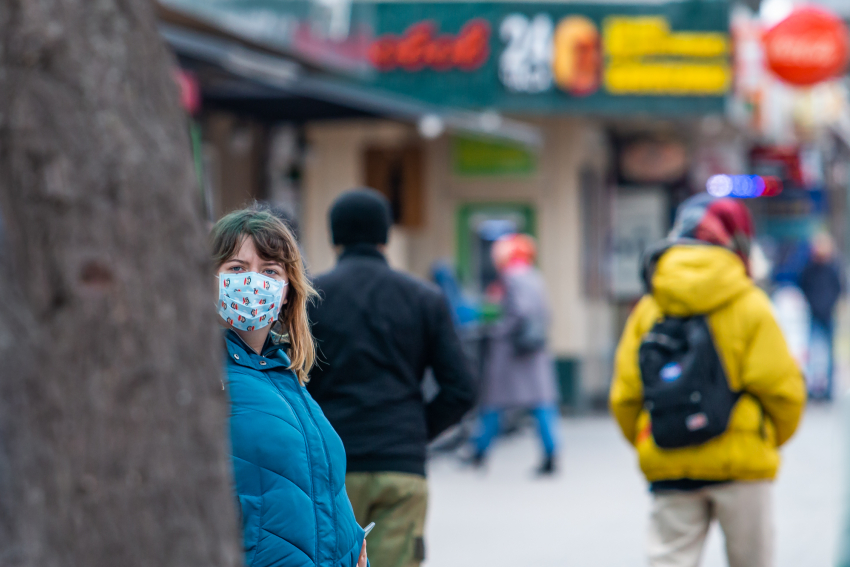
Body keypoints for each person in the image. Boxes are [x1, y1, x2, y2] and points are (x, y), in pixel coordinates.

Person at [610, 194, 806, 567]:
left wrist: (646, 437)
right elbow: (784, 391)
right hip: (742, 465)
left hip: (669, 456)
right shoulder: (750, 304)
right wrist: (762, 437)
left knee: (669, 560)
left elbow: (625, 395)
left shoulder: (649, 307)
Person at [307, 188, 476, 567]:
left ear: (335, 236)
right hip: (401, 464)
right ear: (385, 236)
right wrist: (415, 431)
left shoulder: (312, 299)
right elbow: (462, 388)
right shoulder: (424, 298)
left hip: (333, 466)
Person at [212, 206, 368, 567]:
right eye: (237, 268)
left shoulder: (286, 379)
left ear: (286, 291)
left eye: (270, 271)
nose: (253, 282)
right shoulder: (200, 379)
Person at [471, 233, 560, 474]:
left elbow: (519, 311)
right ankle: (551, 453)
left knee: (493, 404)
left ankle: (479, 452)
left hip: (511, 352)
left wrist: (498, 330)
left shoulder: (511, 277)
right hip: (534, 352)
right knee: (541, 404)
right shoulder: (535, 275)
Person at [798, 232, 843, 400]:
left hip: (828, 314)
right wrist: (812, 303)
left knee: (830, 354)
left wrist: (830, 304)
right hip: (814, 313)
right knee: (810, 352)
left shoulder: (832, 267)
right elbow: (803, 285)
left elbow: (839, 288)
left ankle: (829, 389)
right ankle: (810, 388)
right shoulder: (810, 267)